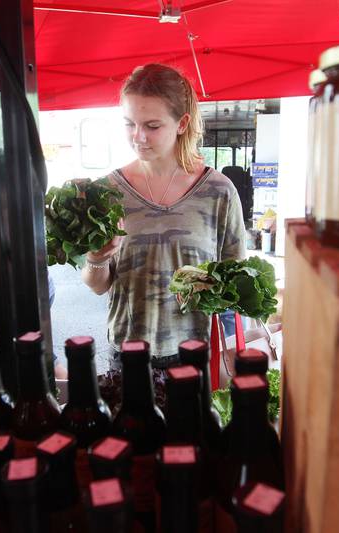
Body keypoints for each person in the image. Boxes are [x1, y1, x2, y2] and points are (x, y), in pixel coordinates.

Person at [82, 63, 246, 369]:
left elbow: (236, 287)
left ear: (182, 123)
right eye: (129, 124)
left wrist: (211, 287)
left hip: (193, 355)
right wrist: (97, 257)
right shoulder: (106, 192)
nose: (138, 136)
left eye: (152, 126)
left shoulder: (218, 192)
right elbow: (98, 285)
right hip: (126, 355)